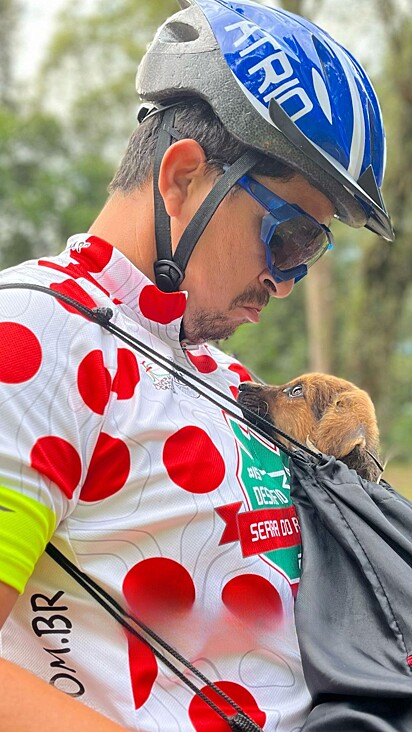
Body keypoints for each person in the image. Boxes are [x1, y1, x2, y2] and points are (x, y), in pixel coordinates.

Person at [0, 0, 393, 730]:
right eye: (290, 238)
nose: (287, 279)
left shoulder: (205, 366)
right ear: (182, 177)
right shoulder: (36, 335)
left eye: (313, 253)